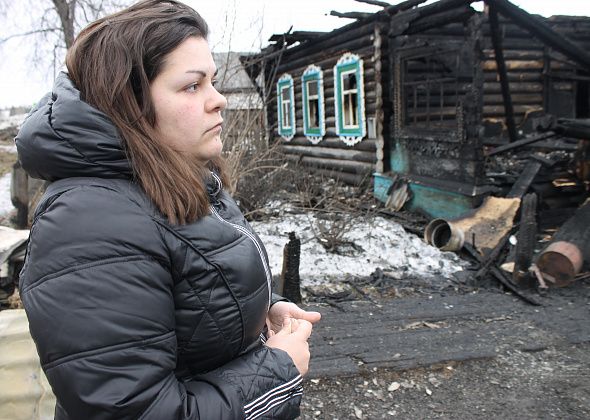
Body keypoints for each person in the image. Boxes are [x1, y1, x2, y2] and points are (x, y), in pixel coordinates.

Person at [15, 1, 321, 418]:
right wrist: (276, 371)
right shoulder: (89, 222)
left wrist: (261, 311)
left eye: (213, 82)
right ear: (131, 104)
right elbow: (135, 411)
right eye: (192, 86)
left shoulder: (172, 176)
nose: (220, 101)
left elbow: (192, 289)